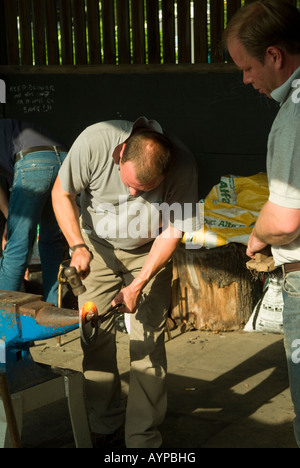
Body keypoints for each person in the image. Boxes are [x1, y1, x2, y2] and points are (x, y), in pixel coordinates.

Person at [51, 116, 199, 448]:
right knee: (94, 334)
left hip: (149, 252)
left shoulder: (184, 164)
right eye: (129, 184)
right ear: (119, 154)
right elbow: (61, 193)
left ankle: (141, 439)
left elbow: (174, 231)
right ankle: (105, 426)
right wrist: (77, 246)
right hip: (96, 250)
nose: (132, 194)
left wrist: (138, 283)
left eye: (143, 191)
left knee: (147, 342)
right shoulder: (94, 141)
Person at [224, 0, 300, 447]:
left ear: (275, 56)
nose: (247, 79)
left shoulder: (294, 111)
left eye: (248, 67)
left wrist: (256, 235)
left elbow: (287, 218)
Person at [0, 118, 68, 305]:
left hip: (33, 162)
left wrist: (10, 220)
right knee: (51, 241)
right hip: (64, 159)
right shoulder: (11, 127)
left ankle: (3, 320)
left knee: (17, 243)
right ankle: (53, 308)